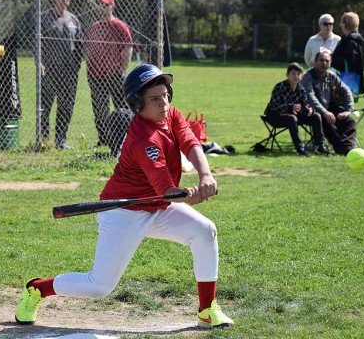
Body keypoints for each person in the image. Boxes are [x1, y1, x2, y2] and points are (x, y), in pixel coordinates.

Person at [15, 64, 233, 329]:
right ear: (137, 104)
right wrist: (189, 195)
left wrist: (206, 176)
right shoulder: (144, 139)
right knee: (99, 286)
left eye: (165, 95)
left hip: (157, 206)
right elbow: (166, 189)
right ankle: (37, 288)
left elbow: (190, 143)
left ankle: (207, 310)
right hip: (124, 213)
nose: (163, 103)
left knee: (204, 231)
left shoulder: (171, 115)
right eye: (154, 99)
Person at [86, 0, 133, 147]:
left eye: (107, 4)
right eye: (101, 4)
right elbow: (89, 49)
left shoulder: (119, 25)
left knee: (121, 108)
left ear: (113, 6)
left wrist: (123, 70)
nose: (104, 7)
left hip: (114, 74)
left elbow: (128, 47)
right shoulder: (94, 27)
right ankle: (104, 139)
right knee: (100, 110)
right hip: (95, 75)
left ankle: (124, 138)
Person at [38, 0, 83, 149]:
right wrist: (39, 62)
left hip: (69, 73)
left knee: (66, 107)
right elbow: (36, 43)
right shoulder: (44, 18)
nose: (64, 0)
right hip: (49, 72)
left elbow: (80, 46)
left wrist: (76, 67)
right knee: (44, 107)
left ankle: (60, 141)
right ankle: (43, 140)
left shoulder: (74, 20)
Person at [264, 62, 330, 157]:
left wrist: (309, 110)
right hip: (274, 117)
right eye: (293, 73)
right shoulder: (279, 87)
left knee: (316, 116)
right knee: (292, 118)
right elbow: (274, 107)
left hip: (294, 117)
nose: (296, 76)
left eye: (298, 74)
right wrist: (290, 107)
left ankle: (319, 146)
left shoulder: (302, 89)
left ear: (301, 76)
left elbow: (304, 106)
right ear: (287, 75)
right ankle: (300, 149)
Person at [301, 51, 357, 155]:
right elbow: (310, 97)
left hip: (329, 107)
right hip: (312, 112)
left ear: (330, 64)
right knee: (326, 122)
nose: (324, 63)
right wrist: (325, 113)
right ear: (315, 62)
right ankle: (341, 149)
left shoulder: (331, 76)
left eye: (327, 61)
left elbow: (346, 90)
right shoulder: (307, 77)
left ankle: (347, 147)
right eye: (321, 60)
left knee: (349, 122)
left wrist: (348, 110)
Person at [331, 12, 364, 95]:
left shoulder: (350, 41)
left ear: (345, 24)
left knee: (344, 100)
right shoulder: (353, 39)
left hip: (345, 78)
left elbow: (349, 61)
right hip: (351, 78)